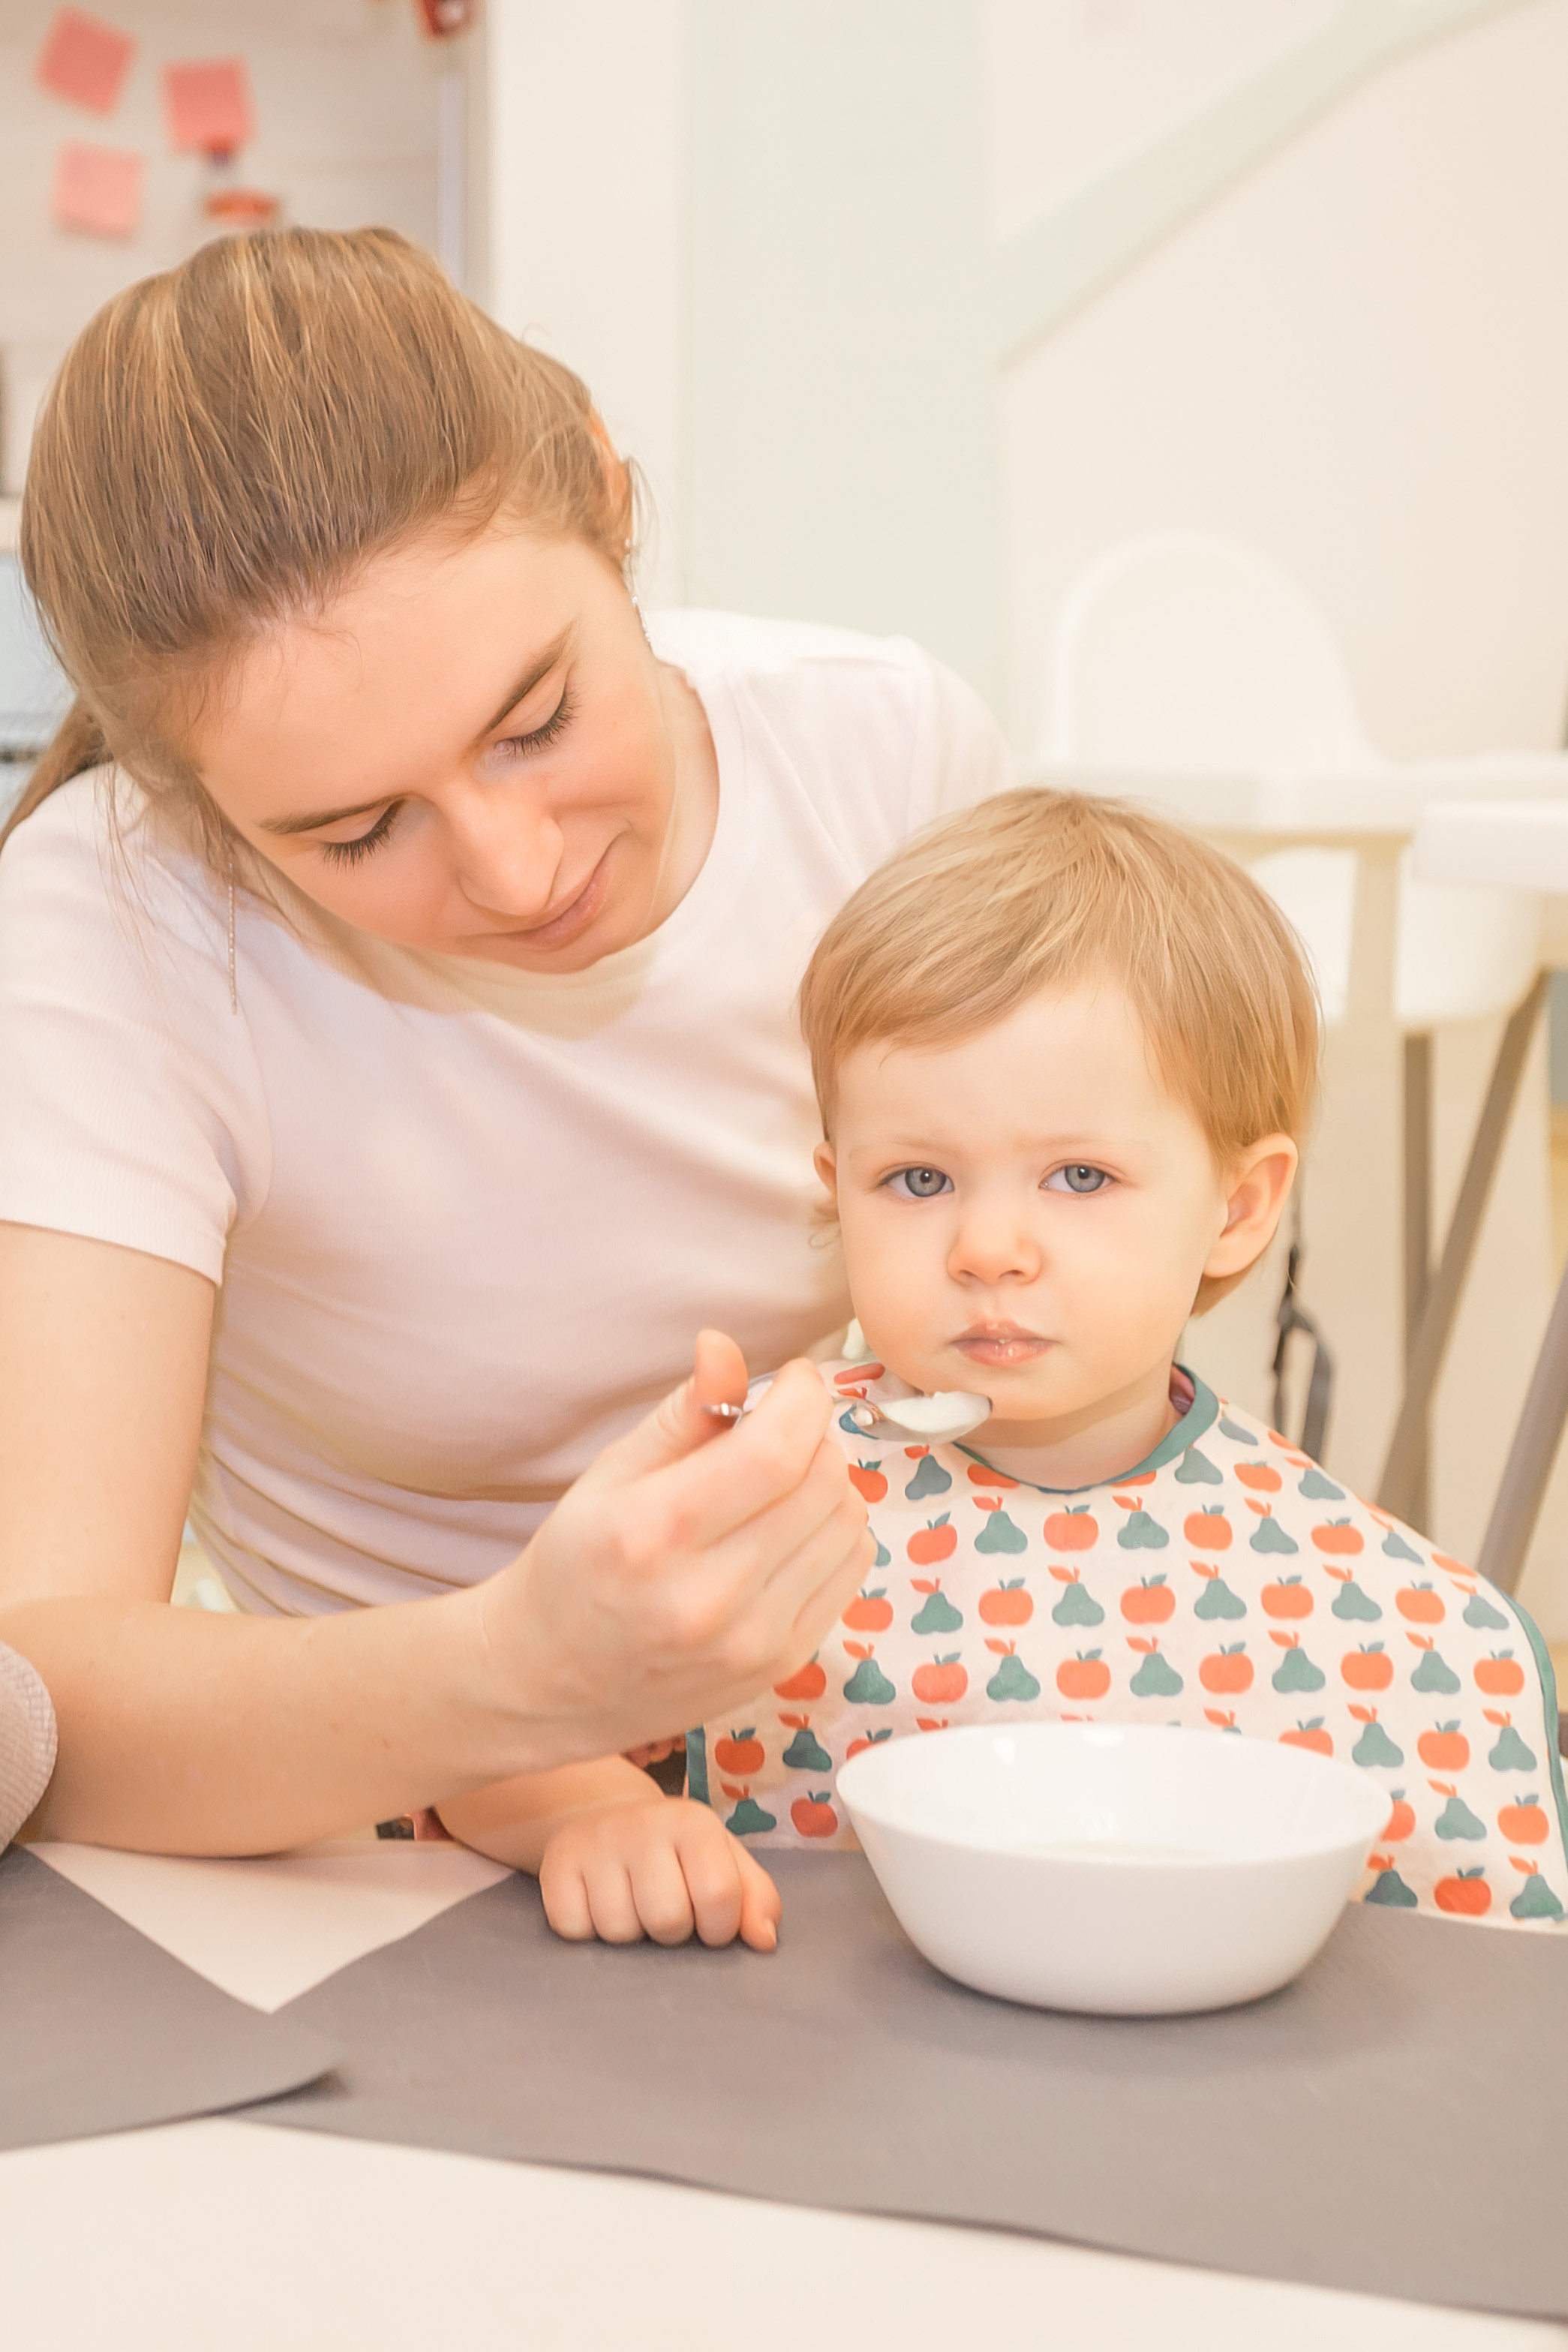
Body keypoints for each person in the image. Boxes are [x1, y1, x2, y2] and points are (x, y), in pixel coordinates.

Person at [0, 226, 1013, 1907]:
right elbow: (42, 1696)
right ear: (196, 806)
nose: (518, 870)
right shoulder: (116, 915)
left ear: (606, 498)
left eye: (536, 719)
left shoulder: (883, 753)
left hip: (840, 1761)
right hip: (359, 1841)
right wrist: (520, 1688)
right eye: (353, 830)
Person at [518, 791, 1567, 1933]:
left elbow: (1487, 1994)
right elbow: (487, 1741)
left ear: (1238, 1206)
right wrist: (592, 1811)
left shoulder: (1392, 1634)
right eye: (917, 1180)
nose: (986, 1251)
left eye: (1078, 1178)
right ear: (835, 1187)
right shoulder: (747, 1497)